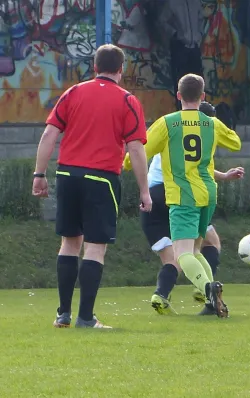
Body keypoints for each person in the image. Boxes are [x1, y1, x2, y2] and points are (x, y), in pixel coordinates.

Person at [32, 44, 152, 329]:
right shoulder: (127, 101)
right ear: (121, 70)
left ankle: (63, 313)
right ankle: (86, 318)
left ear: (94, 66)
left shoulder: (73, 93)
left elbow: (50, 133)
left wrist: (39, 174)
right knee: (95, 249)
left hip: (67, 176)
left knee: (69, 243)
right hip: (101, 179)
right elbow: (135, 149)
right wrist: (145, 191)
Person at [123, 73, 241, 318]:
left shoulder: (168, 123)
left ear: (178, 96)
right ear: (203, 96)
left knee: (182, 253)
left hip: (182, 194)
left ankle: (208, 289)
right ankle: (211, 303)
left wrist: (125, 163)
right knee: (197, 250)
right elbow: (235, 143)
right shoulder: (211, 123)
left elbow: (142, 151)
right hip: (208, 193)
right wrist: (215, 127)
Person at [159, 0, 204, 110]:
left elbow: (201, 19)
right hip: (180, 46)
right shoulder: (172, 3)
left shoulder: (196, 2)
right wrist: (174, 33)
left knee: (198, 79)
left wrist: (200, 34)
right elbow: (162, 20)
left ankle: (199, 109)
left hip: (194, 47)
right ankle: (181, 109)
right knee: (179, 80)